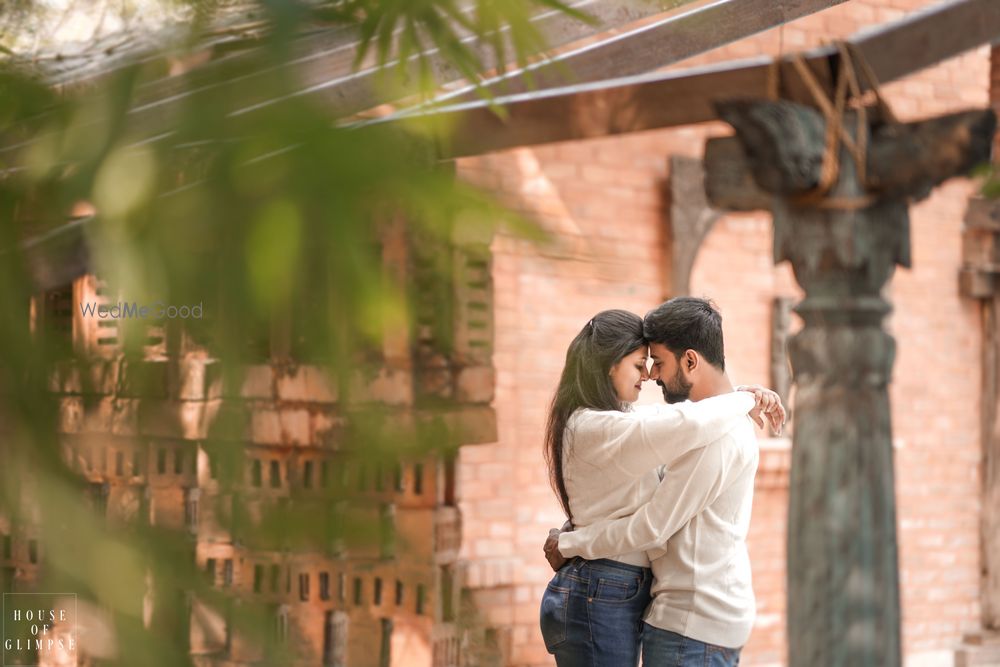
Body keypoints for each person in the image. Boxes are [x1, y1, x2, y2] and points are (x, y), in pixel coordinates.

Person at [538, 307, 782, 666]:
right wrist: (743, 398)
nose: (650, 375)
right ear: (609, 364)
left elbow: (677, 425)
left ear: (689, 361)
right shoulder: (597, 426)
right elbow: (682, 425)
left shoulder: (627, 423)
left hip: (648, 602)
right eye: (640, 365)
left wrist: (741, 396)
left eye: (654, 363)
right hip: (604, 588)